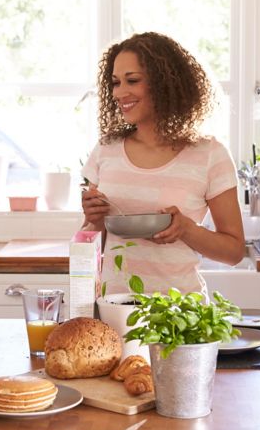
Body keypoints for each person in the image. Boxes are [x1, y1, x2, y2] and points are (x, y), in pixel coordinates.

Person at [81, 31, 246, 296]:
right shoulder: (105, 151)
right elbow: (91, 244)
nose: (120, 93)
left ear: (164, 84)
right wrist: (94, 221)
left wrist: (187, 229)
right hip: (115, 311)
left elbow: (234, 252)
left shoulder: (209, 154)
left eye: (132, 80)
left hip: (180, 315)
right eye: (115, 82)